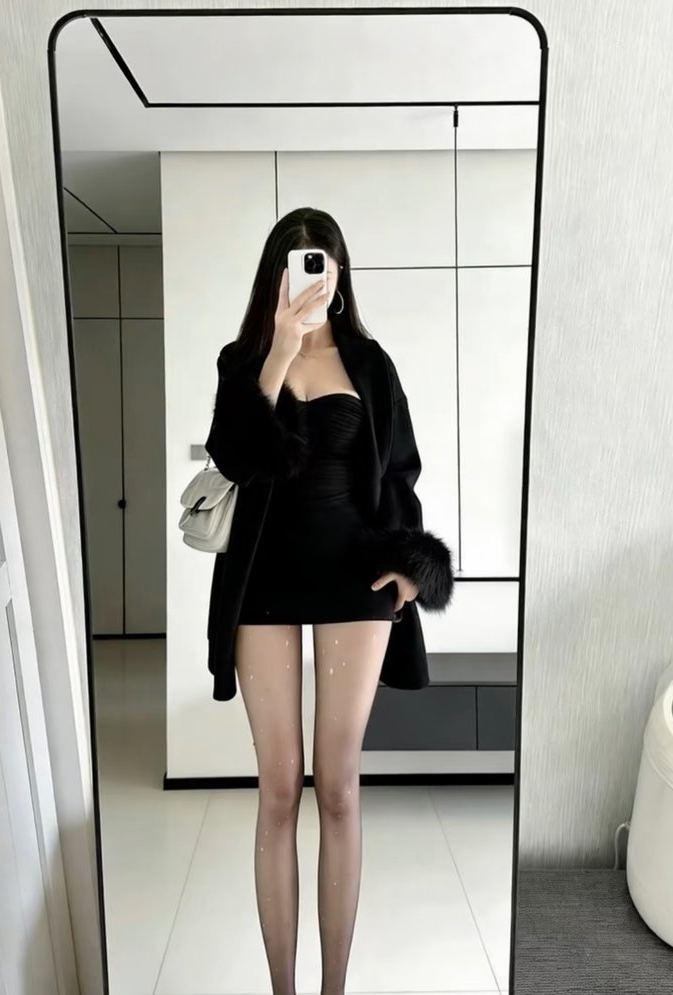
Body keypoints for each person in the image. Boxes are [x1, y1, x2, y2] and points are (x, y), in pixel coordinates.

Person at [204, 207, 453, 995]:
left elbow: (401, 471)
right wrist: (280, 349)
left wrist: (412, 567)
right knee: (279, 787)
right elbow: (234, 456)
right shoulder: (244, 360)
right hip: (263, 580)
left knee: (338, 786)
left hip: (354, 577)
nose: (311, 275)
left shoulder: (370, 364)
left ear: (340, 275)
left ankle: (333, 989)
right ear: (275, 276)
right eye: (296, 262)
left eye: (323, 262)